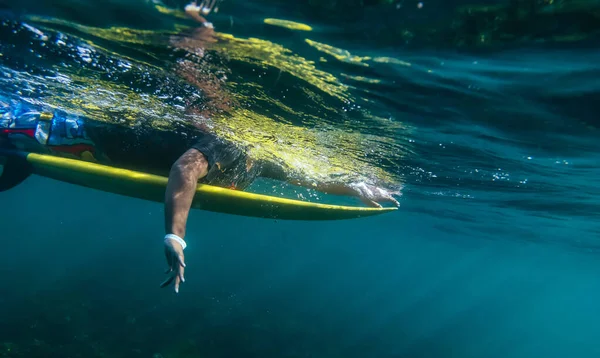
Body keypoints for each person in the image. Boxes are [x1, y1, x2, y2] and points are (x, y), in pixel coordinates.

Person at [0, 2, 400, 293]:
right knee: (13, 131)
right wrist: (175, 236)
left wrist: (355, 187)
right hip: (85, 136)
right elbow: (185, 169)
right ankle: (197, 28)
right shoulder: (232, 143)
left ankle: (198, 29)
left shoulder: (258, 159)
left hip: (95, 144)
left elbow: (309, 179)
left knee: (18, 150)